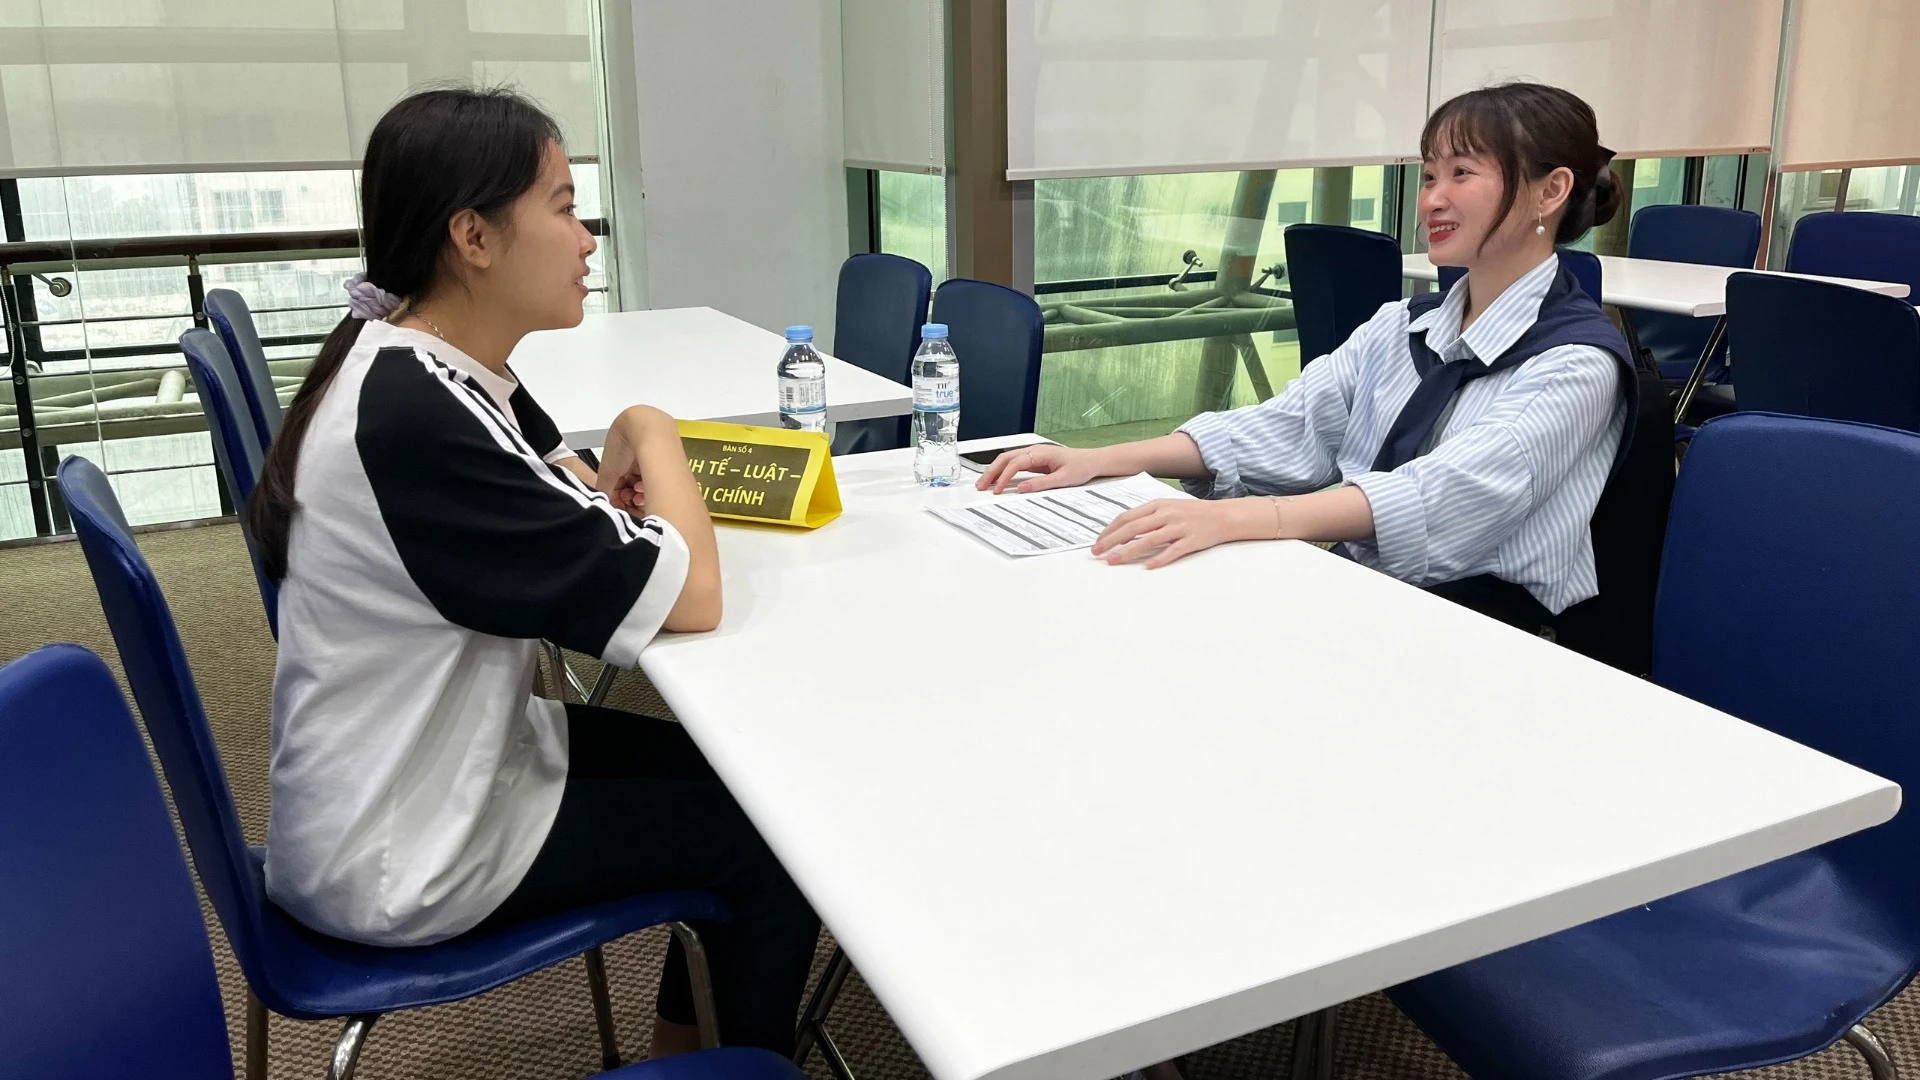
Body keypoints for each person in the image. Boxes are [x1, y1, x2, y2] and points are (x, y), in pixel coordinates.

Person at [248, 87, 817, 1057]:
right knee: (781, 844)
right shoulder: (414, 416)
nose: (587, 237)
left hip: (417, 771)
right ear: (473, 236)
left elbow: (579, 491)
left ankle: (695, 1057)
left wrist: (625, 467)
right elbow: (694, 594)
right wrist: (653, 426)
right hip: (406, 842)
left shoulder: (424, 370)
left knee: (751, 780)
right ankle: (731, 1070)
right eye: (561, 205)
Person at [978, 82, 1633, 629]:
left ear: (1550, 193)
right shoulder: (1403, 326)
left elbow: (1439, 498)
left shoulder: (1577, 366)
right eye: (1430, 173)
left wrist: (1230, 518)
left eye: (1462, 173)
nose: (1432, 197)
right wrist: (1096, 459)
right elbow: (1288, 425)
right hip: (1368, 603)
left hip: (1488, 638)